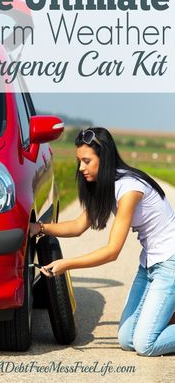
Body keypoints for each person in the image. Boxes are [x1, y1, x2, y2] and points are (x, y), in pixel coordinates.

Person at [30, 127, 175, 357]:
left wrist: (66, 264)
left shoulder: (129, 189)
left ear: (104, 158)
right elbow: (78, 226)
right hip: (150, 264)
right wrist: (38, 228)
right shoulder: (106, 186)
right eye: (79, 161)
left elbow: (112, 251)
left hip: (170, 264)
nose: (81, 168)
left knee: (146, 344)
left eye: (87, 161)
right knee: (127, 340)